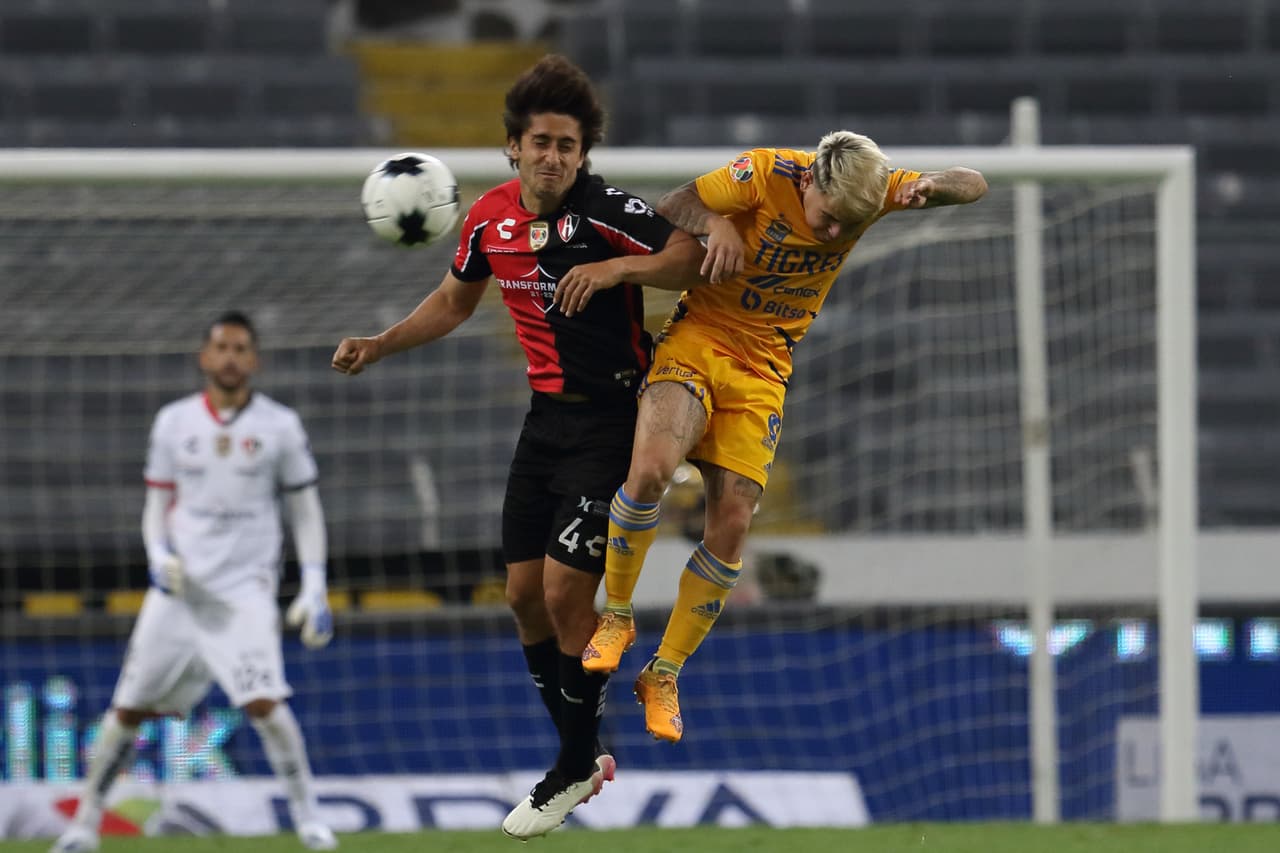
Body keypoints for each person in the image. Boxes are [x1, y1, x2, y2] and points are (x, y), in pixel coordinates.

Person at [330, 55, 704, 840]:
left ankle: (571, 764)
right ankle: (582, 753)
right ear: (513, 146)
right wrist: (380, 342)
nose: (553, 158)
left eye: (568, 146)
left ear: (583, 153)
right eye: (541, 143)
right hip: (543, 426)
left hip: (612, 422)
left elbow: (688, 257)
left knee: (567, 595)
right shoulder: (488, 218)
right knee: (522, 596)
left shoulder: (606, 210)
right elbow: (453, 301)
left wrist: (616, 268)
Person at [581, 131, 989, 743]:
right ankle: (616, 615)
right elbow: (673, 203)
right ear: (809, 182)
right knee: (652, 471)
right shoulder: (762, 174)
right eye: (829, 218)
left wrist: (933, 184)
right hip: (701, 337)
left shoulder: (873, 191)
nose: (835, 233)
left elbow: (974, 182)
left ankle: (663, 672)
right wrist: (716, 223)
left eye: (848, 225)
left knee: (733, 523)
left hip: (764, 369)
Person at [51, 311, 338, 852]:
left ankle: (310, 821)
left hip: (244, 592)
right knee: (127, 710)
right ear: (205, 357)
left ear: (254, 360)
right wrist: (158, 554)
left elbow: (305, 510)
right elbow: (156, 505)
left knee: (266, 706)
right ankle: (83, 826)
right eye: (221, 348)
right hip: (180, 593)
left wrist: (314, 584)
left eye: (240, 348)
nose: (230, 357)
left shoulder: (279, 426)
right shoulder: (174, 423)